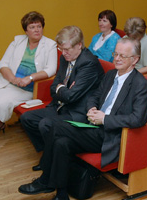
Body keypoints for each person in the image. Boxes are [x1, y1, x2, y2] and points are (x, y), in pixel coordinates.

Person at [18, 37, 147, 200]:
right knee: (61, 143)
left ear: (135, 59)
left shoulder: (140, 84)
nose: (117, 59)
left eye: (123, 56)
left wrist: (105, 119)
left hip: (109, 136)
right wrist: (92, 108)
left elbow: (138, 119)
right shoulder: (111, 75)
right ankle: (61, 196)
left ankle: (46, 180)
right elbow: (94, 95)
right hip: (92, 127)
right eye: (116, 54)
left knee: (53, 126)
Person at [20, 26, 104, 169]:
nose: (63, 53)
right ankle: (50, 153)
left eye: (66, 49)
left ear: (79, 45)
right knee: (27, 118)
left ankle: (51, 160)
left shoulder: (88, 63)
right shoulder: (65, 58)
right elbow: (54, 87)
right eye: (61, 49)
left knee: (46, 124)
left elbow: (71, 96)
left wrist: (61, 88)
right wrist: (61, 89)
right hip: (61, 105)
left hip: (78, 111)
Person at [0, 11, 57, 138]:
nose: (37, 30)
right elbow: (3, 63)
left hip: (29, 87)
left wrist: (30, 78)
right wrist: (12, 79)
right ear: (26, 31)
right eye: (32, 27)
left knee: (2, 102)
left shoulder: (50, 45)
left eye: (39, 26)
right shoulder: (18, 41)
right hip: (10, 81)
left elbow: (51, 70)